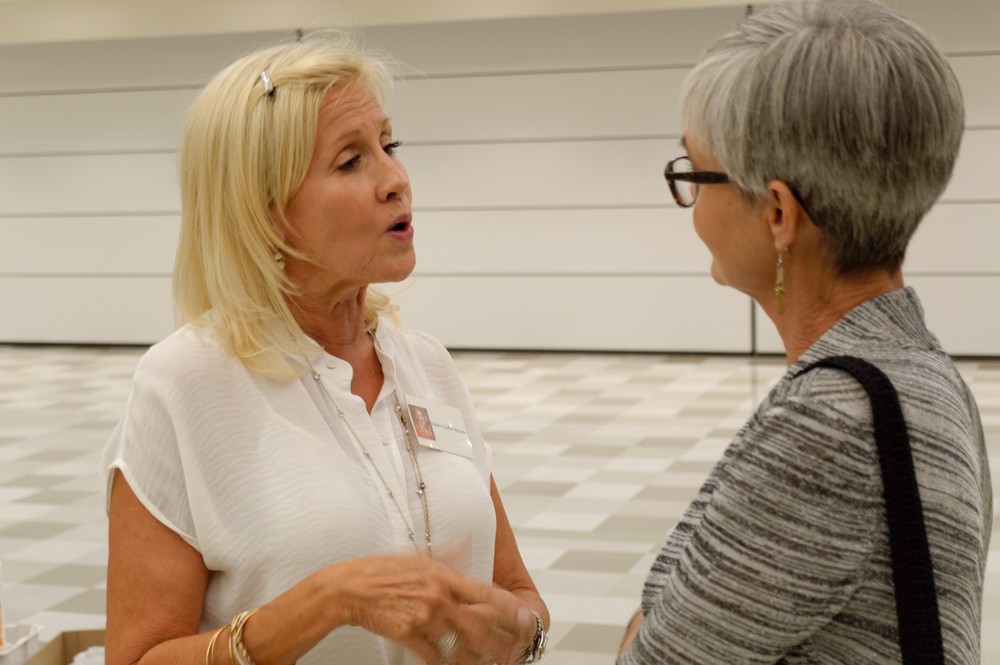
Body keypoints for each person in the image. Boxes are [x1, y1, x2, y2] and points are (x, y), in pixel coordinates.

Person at [101, 32, 548, 665]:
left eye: (389, 146)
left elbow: (519, 593)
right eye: (350, 161)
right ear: (264, 212)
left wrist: (521, 630)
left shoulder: (427, 364)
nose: (396, 180)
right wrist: (316, 606)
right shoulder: (184, 381)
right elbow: (136, 658)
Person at [618, 1, 992, 663]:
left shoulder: (831, 424)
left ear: (779, 213)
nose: (692, 206)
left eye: (694, 174)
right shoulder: (926, 373)